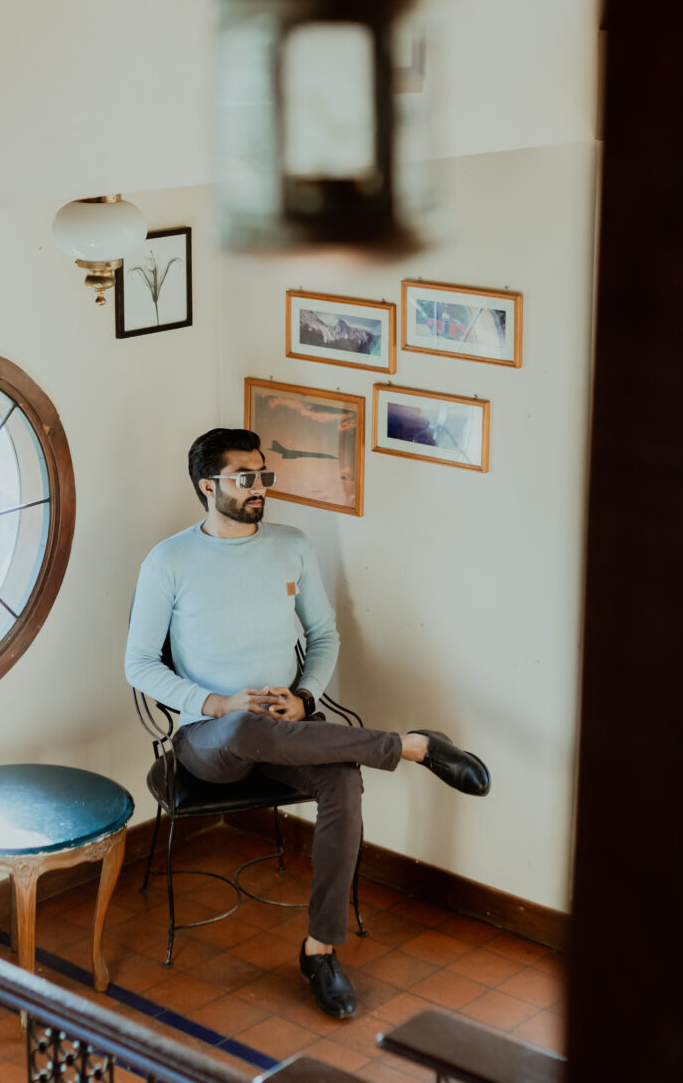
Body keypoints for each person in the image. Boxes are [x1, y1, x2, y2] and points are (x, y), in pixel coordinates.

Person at [125, 427, 491, 1020]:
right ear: (206, 485)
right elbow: (138, 663)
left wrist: (303, 695)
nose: (259, 488)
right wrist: (214, 705)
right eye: (245, 478)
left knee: (343, 783)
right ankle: (413, 747)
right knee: (246, 725)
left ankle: (319, 950)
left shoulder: (291, 545)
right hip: (212, 737)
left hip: (290, 724)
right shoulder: (167, 561)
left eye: (263, 475)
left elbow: (324, 635)